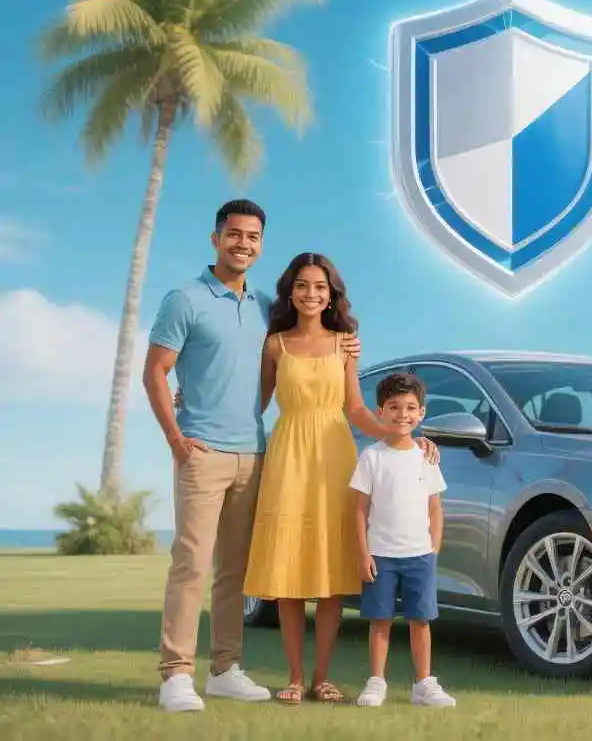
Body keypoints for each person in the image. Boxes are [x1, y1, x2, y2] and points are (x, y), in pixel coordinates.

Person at [142, 200, 361, 714]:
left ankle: (224, 668)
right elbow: (156, 371)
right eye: (235, 234)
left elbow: (281, 368)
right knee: (191, 563)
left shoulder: (267, 307)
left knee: (234, 572)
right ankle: (176, 674)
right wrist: (176, 436)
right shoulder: (185, 298)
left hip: (257, 453)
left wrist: (347, 349)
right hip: (201, 448)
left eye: (254, 236)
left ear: (261, 245)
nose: (244, 243)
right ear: (216, 238)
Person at [242, 253, 441, 704]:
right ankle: (294, 677)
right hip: (288, 455)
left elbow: (354, 408)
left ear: (331, 294)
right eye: (303, 285)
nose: (311, 294)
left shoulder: (345, 344)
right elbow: (252, 401)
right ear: (289, 291)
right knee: (291, 570)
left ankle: (323, 677)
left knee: (332, 571)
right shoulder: (274, 345)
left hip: (335, 455)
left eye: (320, 287)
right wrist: (193, 400)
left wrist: (407, 436)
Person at [350, 371, 456, 709]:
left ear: (421, 413)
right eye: (394, 407)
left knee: (420, 620)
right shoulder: (372, 457)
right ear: (380, 411)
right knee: (380, 621)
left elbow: (435, 509)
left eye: (411, 407)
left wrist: (433, 549)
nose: (403, 414)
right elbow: (359, 511)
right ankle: (376, 681)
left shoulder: (426, 456)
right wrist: (363, 553)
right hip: (380, 555)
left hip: (419, 556)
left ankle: (424, 683)